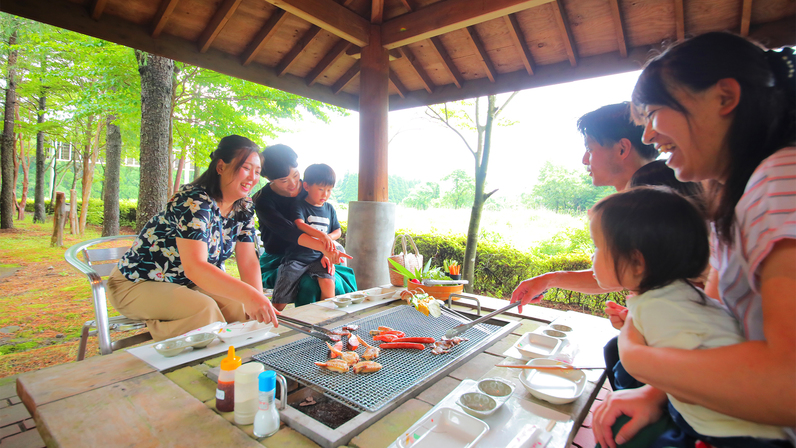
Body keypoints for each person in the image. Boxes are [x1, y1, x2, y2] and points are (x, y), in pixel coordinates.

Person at [590, 32, 796, 448]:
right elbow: (720, 317)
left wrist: (638, 356)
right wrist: (654, 392)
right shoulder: (734, 194)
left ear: (724, 98)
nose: (649, 134)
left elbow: (787, 381)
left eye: (654, 112)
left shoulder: (781, 181)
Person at [512, 102, 703, 389]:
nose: (584, 159)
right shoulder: (645, 189)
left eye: (590, 147)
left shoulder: (651, 191)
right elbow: (623, 271)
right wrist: (549, 280)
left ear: (622, 149)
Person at [591, 187, 788, 447]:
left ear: (637, 263)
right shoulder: (673, 296)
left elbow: (698, 379)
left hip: (735, 435)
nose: (592, 256)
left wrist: (639, 333)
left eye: (597, 247)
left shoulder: (661, 310)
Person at [107, 135, 279, 341]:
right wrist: (251, 296)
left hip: (187, 284)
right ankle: (165, 337)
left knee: (240, 308)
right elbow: (195, 266)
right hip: (136, 282)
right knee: (205, 312)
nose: (252, 177)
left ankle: (235, 364)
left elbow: (248, 260)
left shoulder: (244, 207)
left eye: (257, 171)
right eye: (246, 168)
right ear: (221, 167)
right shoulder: (194, 201)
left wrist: (257, 301)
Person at [253, 145, 356, 310]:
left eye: (295, 175)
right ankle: (301, 325)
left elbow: (325, 223)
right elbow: (291, 231)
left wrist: (325, 250)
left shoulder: (311, 187)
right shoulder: (264, 201)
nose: (293, 184)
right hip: (279, 258)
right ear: (268, 178)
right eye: (283, 180)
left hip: (314, 252)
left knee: (330, 280)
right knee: (309, 285)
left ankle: (330, 320)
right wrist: (324, 247)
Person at [273, 164, 342, 306]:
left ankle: (326, 317)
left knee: (329, 282)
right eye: (321, 189)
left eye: (329, 190)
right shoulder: (299, 205)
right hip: (297, 258)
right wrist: (322, 236)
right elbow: (299, 224)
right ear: (306, 186)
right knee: (283, 292)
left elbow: (338, 231)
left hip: (319, 258)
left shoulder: (329, 208)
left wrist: (327, 238)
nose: (325, 194)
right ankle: (274, 315)